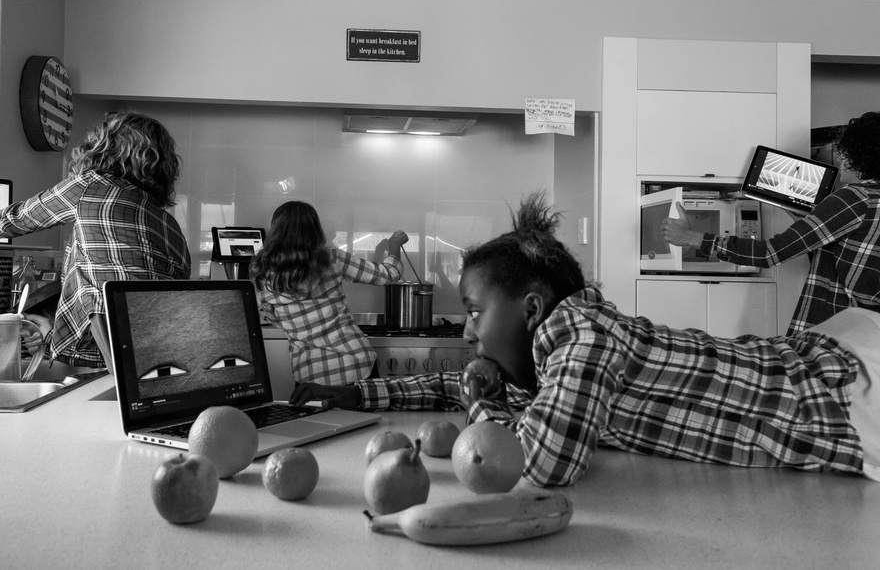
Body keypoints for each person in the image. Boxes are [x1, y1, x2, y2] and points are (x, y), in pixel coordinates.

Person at [290, 192, 880, 486]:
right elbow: (457, 384)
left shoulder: (584, 341)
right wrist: (353, 395)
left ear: (531, 309)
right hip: (827, 358)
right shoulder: (553, 353)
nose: (467, 330)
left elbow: (543, 465)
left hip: (841, 396)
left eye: (474, 312)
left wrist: (481, 404)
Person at [0, 111, 191, 370]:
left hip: (111, 338)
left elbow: (20, 217)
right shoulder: (169, 224)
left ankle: (46, 335)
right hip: (165, 346)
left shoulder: (91, 185)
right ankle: (47, 334)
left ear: (103, 149)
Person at [662, 111, 880, 335]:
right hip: (868, 336)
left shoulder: (854, 198)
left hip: (840, 334)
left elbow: (770, 253)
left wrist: (692, 237)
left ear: (863, 158)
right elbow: (850, 264)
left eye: (846, 153)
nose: (841, 159)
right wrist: (807, 223)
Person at [248, 201, 407, 385]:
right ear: (315, 229)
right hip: (355, 364)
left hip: (310, 374)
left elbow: (275, 320)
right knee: (365, 406)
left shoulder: (262, 273)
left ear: (275, 229)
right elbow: (389, 274)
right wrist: (394, 245)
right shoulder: (333, 258)